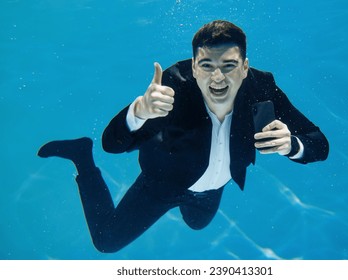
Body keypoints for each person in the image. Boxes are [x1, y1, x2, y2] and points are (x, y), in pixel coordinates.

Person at [38, 20, 329, 253]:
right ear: (193, 67)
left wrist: (293, 145)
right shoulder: (172, 90)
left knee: (197, 224)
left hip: (212, 190)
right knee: (106, 241)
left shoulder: (261, 88)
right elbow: (112, 145)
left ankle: (191, 200)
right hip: (163, 182)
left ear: (244, 68)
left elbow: (319, 143)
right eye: (206, 66)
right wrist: (139, 111)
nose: (218, 78)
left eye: (228, 66)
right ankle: (81, 157)